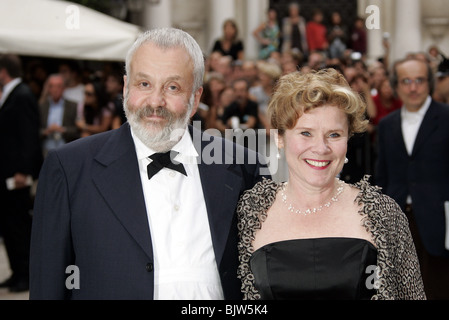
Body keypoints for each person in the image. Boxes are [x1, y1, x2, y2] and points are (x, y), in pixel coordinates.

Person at [30, 27, 268, 300]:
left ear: (195, 100)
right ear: (125, 87)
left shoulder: (244, 167)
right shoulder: (69, 169)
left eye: (172, 87)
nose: (155, 101)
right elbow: (47, 284)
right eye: (144, 84)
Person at [237, 68, 426, 300]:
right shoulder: (251, 211)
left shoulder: (383, 212)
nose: (321, 148)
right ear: (280, 138)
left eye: (334, 135)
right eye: (306, 133)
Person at [375, 57, 449, 299]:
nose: (413, 87)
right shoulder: (386, 125)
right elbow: (382, 175)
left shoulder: (446, 118)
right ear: (396, 86)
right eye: (406, 81)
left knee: (437, 288)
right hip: (397, 221)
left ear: (430, 83)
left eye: (419, 80)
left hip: (439, 221)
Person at [0, 54, 42, 293]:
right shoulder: (12, 94)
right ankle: (16, 272)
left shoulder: (22, 95)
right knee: (8, 225)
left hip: (17, 175)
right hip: (7, 173)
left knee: (18, 225)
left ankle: (25, 274)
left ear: (3, 71)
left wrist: (23, 171)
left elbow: (28, 136)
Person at [39, 74, 80, 156]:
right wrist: (46, 131)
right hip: (46, 149)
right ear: (48, 88)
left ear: (64, 88)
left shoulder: (72, 106)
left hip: (66, 147)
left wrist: (62, 129)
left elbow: (77, 130)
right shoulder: (41, 106)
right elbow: (34, 129)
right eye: (52, 86)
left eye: (58, 86)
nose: (55, 90)